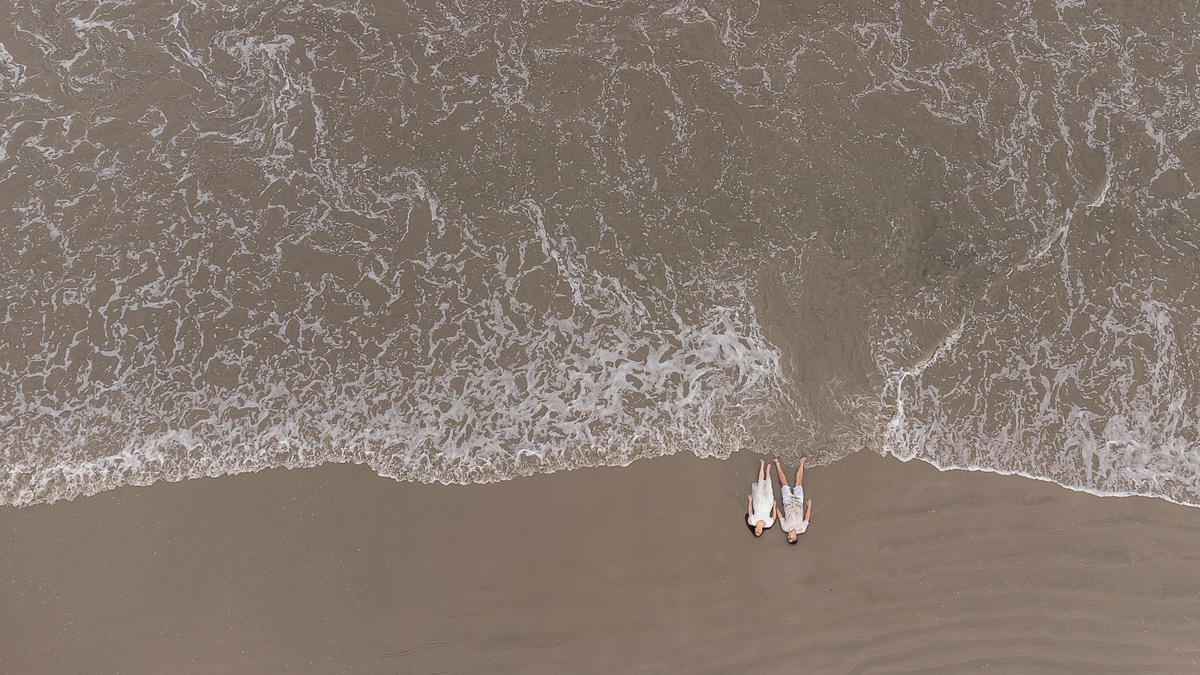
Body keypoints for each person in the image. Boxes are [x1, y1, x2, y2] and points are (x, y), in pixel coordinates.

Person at [773, 457, 811, 544]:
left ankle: (777, 465)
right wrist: (809, 506)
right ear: (795, 537)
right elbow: (806, 519)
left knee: (784, 484)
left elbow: (781, 517)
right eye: (791, 537)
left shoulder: (785, 528)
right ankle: (802, 462)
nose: (789, 536)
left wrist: (775, 507)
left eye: (788, 537)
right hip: (799, 502)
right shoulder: (802, 529)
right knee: (799, 483)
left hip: (787, 502)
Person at [747, 459, 776, 536]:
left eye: (757, 532)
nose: (758, 531)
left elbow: (750, 512)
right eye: (759, 533)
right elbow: (773, 517)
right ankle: (768, 471)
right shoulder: (768, 524)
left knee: (760, 484)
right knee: (768, 486)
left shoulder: (752, 522)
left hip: (758, 504)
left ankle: (762, 465)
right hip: (768, 505)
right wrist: (774, 506)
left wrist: (750, 501)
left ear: (755, 529)